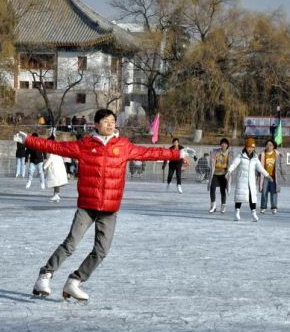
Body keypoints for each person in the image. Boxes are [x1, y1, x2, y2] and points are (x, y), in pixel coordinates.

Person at [21, 109, 185, 301]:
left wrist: (177, 153)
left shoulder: (123, 145)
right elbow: (57, 147)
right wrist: (28, 141)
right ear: (96, 124)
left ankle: (75, 281)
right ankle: (45, 275)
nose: (110, 124)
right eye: (106, 121)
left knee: (101, 251)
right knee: (70, 244)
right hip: (87, 205)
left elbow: (148, 152)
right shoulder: (85, 145)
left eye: (113, 121)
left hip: (110, 208)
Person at [226, 138, 271, 222]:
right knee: (240, 196)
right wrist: (229, 171)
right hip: (242, 180)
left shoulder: (255, 157)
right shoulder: (241, 155)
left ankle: (253, 213)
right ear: (245, 147)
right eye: (249, 147)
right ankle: (237, 212)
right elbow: (234, 164)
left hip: (251, 181)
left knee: (252, 197)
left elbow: (260, 167)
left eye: (252, 147)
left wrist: (267, 175)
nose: (250, 149)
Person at [259, 139, 286, 215]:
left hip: (274, 177)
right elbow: (258, 166)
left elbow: (281, 165)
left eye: (270, 145)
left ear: (274, 146)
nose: (269, 146)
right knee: (264, 192)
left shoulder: (277, 154)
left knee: (274, 193)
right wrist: (257, 174)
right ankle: (263, 207)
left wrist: (283, 174)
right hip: (265, 177)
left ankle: (274, 207)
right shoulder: (262, 154)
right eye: (267, 145)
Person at [207, 138, 233, 213]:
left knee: (223, 190)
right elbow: (212, 162)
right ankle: (213, 206)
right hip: (215, 174)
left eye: (225, 143)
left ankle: (223, 206)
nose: (223, 145)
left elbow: (230, 164)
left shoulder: (229, 153)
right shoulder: (215, 152)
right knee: (212, 189)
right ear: (220, 144)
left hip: (224, 175)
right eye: (222, 143)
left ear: (227, 145)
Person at [44, 135, 68, 203]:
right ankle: (56, 196)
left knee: (55, 182)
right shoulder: (57, 148)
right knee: (56, 182)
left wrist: (44, 167)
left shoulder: (52, 149)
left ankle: (56, 195)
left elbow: (50, 159)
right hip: (58, 167)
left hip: (55, 169)